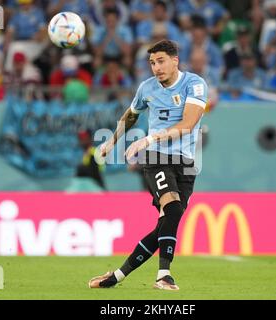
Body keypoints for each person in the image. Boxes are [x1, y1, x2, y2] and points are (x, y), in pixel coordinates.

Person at [88, 39, 208, 290]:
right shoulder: (147, 88)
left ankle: (117, 276)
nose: (156, 67)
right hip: (156, 158)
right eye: (152, 62)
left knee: (165, 224)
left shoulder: (194, 84)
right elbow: (130, 115)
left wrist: (149, 137)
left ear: (175, 60)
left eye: (161, 61)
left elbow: (188, 124)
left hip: (185, 163)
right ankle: (164, 275)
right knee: (173, 209)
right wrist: (112, 141)